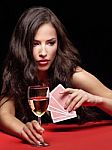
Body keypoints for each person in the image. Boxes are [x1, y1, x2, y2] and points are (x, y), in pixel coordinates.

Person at [0, 6, 112, 145]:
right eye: (35, 44)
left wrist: (97, 100)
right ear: (23, 46)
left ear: (58, 44)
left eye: (50, 43)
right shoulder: (15, 73)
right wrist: (23, 130)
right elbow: (4, 114)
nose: (43, 52)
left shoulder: (72, 74)